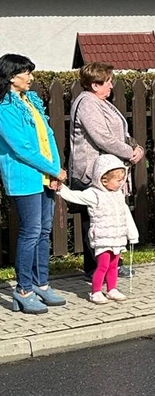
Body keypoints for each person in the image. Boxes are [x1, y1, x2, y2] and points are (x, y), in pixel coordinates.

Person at [0, 54, 69, 314]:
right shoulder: (5, 109)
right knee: (30, 231)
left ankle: (41, 284)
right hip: (23, 177)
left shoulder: (30, 102)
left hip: (44, 176)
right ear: (10, 76)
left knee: (43, 231)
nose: (31, 77)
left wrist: (55, 171)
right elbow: (23, 148)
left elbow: (47, 136)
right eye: (26, 72)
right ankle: (23, 290)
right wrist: (53, 169)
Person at [69, 62, 144, 281]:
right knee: (94, 221)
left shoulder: (101, 102)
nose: (111, 86)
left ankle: (111, 265)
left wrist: (135, 146)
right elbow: (101, 136)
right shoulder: (87, 103)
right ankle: (94, 269)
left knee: (110, 218)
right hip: (92, 173)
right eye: (108, 82)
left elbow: (120, 132)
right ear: (94, 84)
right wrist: (129, 152)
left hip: (107, 169)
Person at [58, 154, 139, 304]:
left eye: (122, 179)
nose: (121, 183)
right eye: (118, 180)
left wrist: (132, 234)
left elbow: (126, 214)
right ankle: (95, 292)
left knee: (114, 265)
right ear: (104, 179)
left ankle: (112, 289)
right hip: (102, 238)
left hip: (118, 237)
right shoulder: (94, 194)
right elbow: (75, 196)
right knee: (102, 265)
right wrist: (61, 188)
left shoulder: (118, 195)